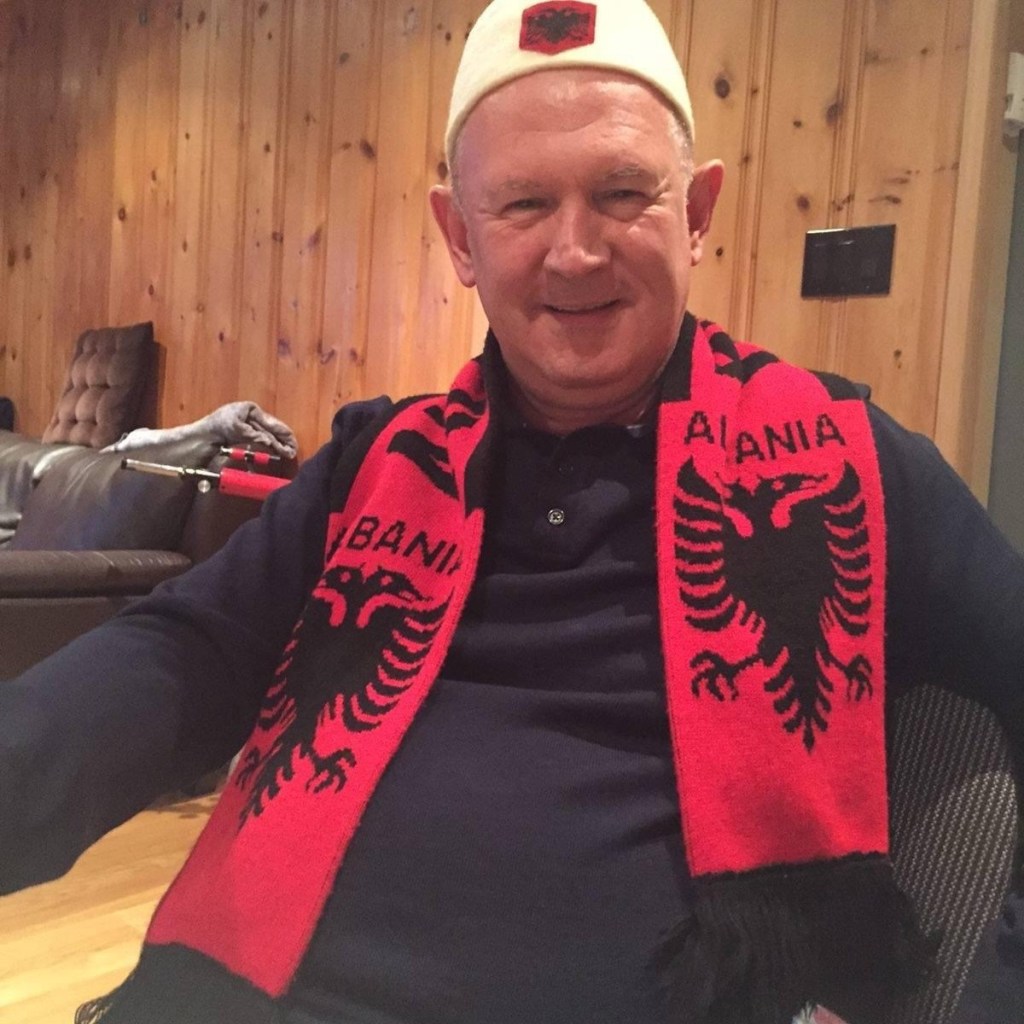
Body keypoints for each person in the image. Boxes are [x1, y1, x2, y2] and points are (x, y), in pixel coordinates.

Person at [2, 1, 1023, 1022]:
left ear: (697, 213)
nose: (575, 252)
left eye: (622, 193)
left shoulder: (847, 460)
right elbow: (185, 650)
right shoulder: (373, 462)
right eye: (524, 204)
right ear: (460, 236)